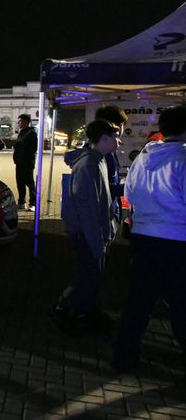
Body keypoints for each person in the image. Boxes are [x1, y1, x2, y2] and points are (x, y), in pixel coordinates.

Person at [112, 105, 186, 372]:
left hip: (144, 237)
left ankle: (124, 356)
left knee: (139, 302)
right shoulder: (182, 158)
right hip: (177, 239)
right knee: (180, 302)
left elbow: (129, 195)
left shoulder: (143, 157)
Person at [52, 119, 120, 335]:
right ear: (104, 138)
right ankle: (62, 309)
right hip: (86, 232)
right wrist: (96, 239)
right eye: (115, 136)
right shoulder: (88, 164)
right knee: (86, 275)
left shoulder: (98, 159)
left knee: (90, 275)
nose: (118, 141)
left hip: (92, 231)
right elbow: (86, 208)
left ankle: (83, 312)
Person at [65, 106, 127, 225]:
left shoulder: (99, 152)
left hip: (104, 214)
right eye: (116, 134)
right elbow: (102, 189)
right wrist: (128, 188)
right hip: (100, 218)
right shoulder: (98, 157)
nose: (119, 139)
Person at [13, 113, 38, 211]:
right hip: (19, 162)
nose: (19, 123)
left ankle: (33, 203)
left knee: (30, 183)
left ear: (26, 122)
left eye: (20, 121)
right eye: (18, 121)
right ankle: (21, 202)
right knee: (20, 183)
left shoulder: (32, 133)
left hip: (27, 163)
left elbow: (33, 149)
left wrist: (27, 159)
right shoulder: (21, 132)